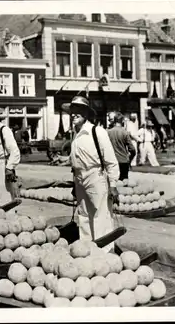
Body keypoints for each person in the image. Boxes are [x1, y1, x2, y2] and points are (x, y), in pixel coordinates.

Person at [64, 96, 119, 253]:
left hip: (96, 176)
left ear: (86, 114)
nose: (74, 114)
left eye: (79, 110)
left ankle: (105, 252)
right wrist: (75, 181)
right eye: (72, 111)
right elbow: (76, 159)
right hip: (80, 178)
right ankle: (87, 250)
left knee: (100, 216)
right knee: (84, 215)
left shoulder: (97, 132)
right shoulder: (76, 135)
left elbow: (110, 160)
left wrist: (113, 185)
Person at [107, 113, 136, 180]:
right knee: (124, 183)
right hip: (123, 161)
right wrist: (130, 159)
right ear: (122, 121)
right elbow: (132, 149)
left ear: (114, 120)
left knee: (113, 182)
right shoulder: (125, 132)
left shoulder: (108, 132)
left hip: (112, 161)